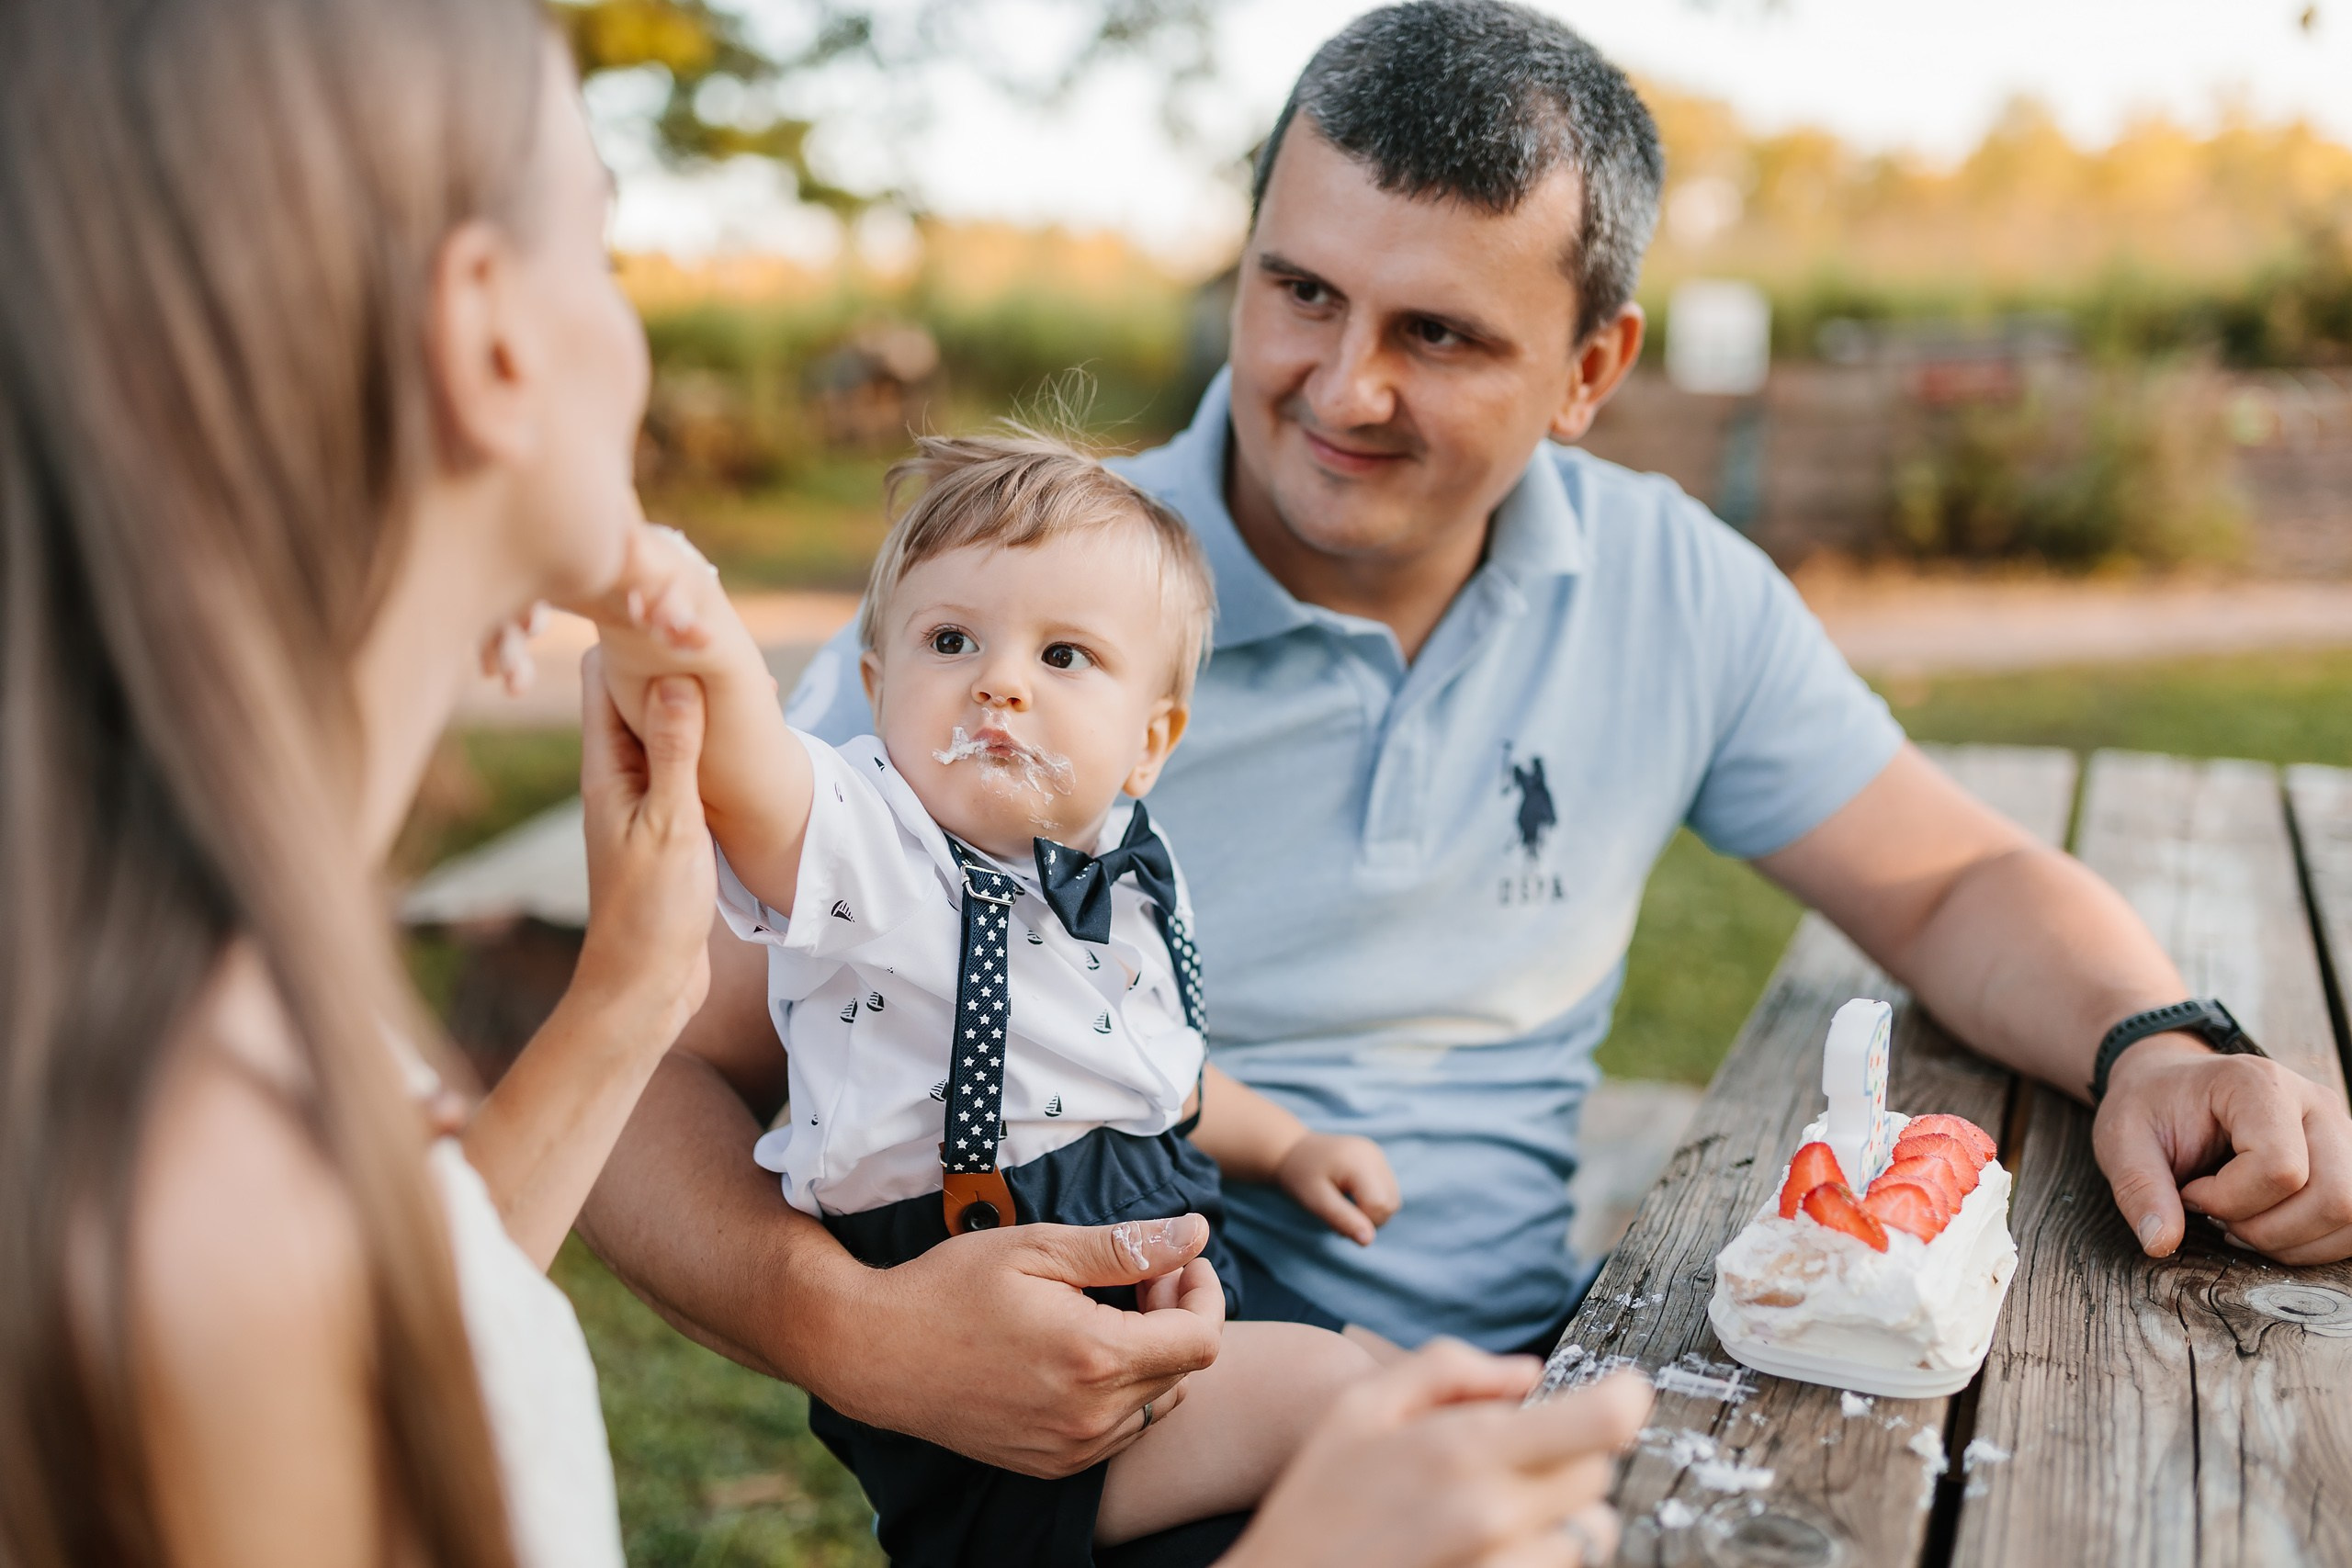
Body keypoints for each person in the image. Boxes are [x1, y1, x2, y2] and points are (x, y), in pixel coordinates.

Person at [582, 0, 2352, 1516]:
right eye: (1298, 292)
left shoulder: (1670, 585)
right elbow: (644, 1063)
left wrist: (2154, 1035)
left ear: (1593, 368)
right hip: (1130, 1449)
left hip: (1539, 1373)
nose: (1338, 388)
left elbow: (1955, 874)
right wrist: (855, 1336)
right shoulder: (1015, 628)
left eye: (1436, 333)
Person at [0, 2, 1652, 1565]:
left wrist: (633, 988)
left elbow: (425, 1321)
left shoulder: (248, 1060)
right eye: (608, 240)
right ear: (492, 336)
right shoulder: (208, 1220)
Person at [584, 434, 1394, 1562]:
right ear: (877, 693)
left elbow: (1156, 1074)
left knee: (1390, 1377)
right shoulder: (881, 853)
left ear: (1150, 740)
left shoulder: (1124, 866)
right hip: (992, 1365)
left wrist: (1292, 1145)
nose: (999, 681)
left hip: (1165, 1267)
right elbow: (751, 771)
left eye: (1064, 656)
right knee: (1347, 1395)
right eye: (951, 640)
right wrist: (678, 618)